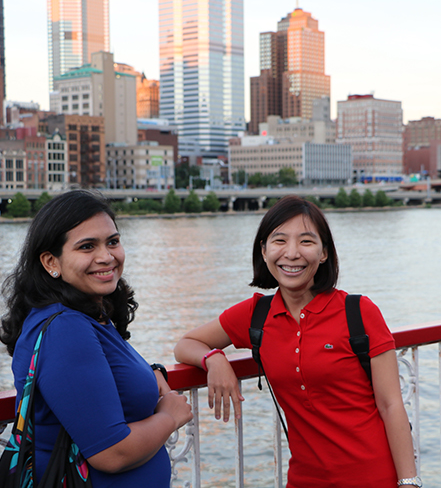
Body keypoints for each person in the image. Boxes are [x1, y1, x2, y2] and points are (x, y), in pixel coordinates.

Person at [174, 195, 421, 488]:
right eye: (279, 241)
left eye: (306, 241)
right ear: (264, 251)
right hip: (305, 479)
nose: (291, 253)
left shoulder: (359, 312)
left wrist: (409, 482)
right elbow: (186, 344)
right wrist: (214, 359)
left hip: (373, 477)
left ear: (324, 253)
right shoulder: (256, 315)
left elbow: (391, 405)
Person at [0, 190, 192, 487]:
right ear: (52, 261)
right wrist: (170, 416)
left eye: (112, 242)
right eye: (87, 246)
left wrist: (151, 373)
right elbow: (111, 453)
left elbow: (98, 377)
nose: (106, 257)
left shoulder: (87, 314)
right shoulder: (66, 329)